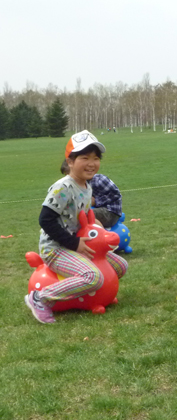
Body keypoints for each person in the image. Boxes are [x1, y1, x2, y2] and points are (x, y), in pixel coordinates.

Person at [24, 130, 128, 323]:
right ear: (70, 161)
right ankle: (40, 298)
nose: (91, 163)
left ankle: (98, 297)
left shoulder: (87, 187)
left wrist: (100, 234)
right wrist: (74, 243)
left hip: (78, 244)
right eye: (84, 158)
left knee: (121, 266)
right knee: (92, 276)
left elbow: (84, 219)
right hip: (56, 249)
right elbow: (45, 220)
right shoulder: (63, 188)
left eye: (96, 158)